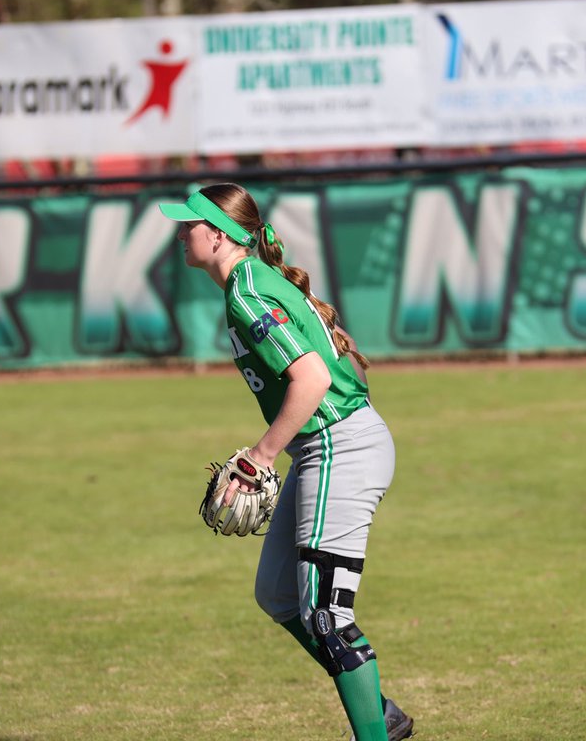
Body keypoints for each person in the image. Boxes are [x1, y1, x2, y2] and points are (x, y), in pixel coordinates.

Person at [159, 183, 415, 741]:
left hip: (338, 445)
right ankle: (381, 711)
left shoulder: (246, 291)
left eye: (190, 224)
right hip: (335, 442)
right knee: (278, 594)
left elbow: (315, 377)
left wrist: (260, 455)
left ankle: (374, 732)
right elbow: (337, 352)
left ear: (220, 235)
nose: (182, 233)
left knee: (328, 618)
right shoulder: (257, 281)